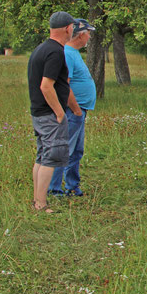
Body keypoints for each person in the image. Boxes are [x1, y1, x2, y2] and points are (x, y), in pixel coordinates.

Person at [28, 11, 76, 213]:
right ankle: (41, 204)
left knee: (42, 156)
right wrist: (59, 113)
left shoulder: (41, 49)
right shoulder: (55, 52)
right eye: (72, 27)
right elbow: (46, 86)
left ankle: (37, 200)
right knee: (50, 157)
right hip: (49, 114)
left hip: (39, 112)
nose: (73, 30)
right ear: (67, 28)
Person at [49, 19, 97, 197]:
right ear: (81, 35)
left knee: (76, 151)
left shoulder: (73, 53)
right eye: (88, 33)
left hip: (80, 110)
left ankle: (72, 185)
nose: (89, 37)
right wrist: (75, 109)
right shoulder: (67, 54)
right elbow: (64, 85)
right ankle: (54, 189)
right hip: (73, 110)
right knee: (65, 149)